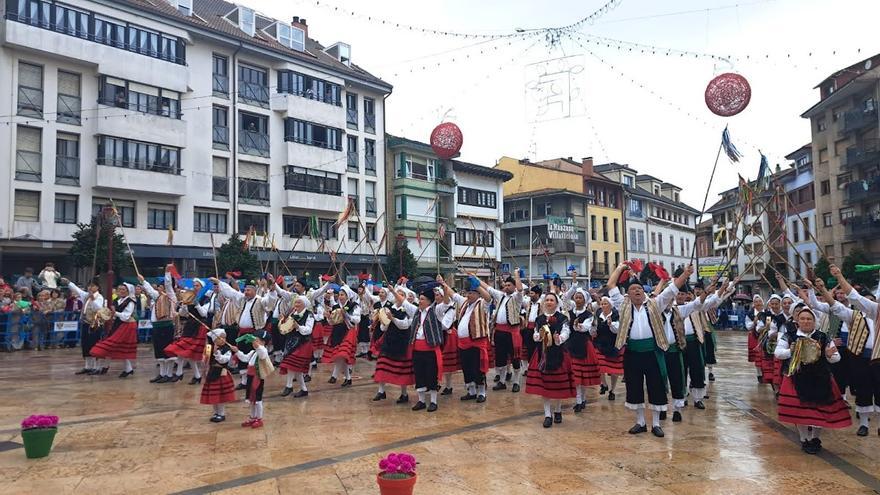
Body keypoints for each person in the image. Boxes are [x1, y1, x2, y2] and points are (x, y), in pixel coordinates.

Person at [608, 262, 694, 438]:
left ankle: (655, 424)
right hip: (632, 352)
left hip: (652, 351)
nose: (637, 291)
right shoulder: (622, 305)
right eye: (633, 289)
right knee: (634, 387)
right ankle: (640, 422)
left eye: (639, 289)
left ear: (644, 292)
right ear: (628, 294)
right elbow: (611, 285)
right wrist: (620, 267)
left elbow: (672, 289)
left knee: (656, 386)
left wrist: (685, 275)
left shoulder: (656, 303)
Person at [774, 306, 851, 454]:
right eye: (802, 318)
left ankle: (815, 438)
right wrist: (792, 350)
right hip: (797, 377)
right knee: (800, 412)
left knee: (819, 410)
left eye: (809, 318)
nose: (806, 321)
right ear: (797, 320)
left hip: (820, 377)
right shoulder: (789, 336)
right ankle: (804, 439)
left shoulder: (823, 337)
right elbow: (778, 353)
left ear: (814, 321)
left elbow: (836, 358)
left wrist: (829, 355)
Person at [824, 267, 878, 437]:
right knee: (863, 390)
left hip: (878, 358)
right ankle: (864, 424)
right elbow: (841, 303)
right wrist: (838, 277)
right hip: (860, 357)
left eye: (870, 301)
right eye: (866, 302)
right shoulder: (856, 314)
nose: (866, 304)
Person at [211, 276, 277, 390]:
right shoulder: (242, 299)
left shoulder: (260, 300)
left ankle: (254, 380)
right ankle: (244, 381)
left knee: (252, 358)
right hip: (242, 333)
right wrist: (219, 282)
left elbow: (270, 301)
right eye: (245, 290)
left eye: (248, 290)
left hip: (254, 334)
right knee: (241, 356)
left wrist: (271, 289)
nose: (245, 292)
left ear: (254, 291)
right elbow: (231, 292)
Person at [525, 292, 574, 428]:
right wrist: (538, 336)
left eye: (552, 300)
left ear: (556, 303)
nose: (549, 302)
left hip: (558, 353)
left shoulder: (562, 318)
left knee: (557, 384)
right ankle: (547, 414)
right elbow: (535, 333)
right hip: (543, 354)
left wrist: (560, 338)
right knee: (545, 386)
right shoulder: (539, 319)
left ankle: (558, 409)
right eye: (547, 300)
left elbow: (566, 331)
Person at [405, 285, 455, 412]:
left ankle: (433, 401)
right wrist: (394, 291)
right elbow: (404, 303)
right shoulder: (417, 312)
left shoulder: (436, 311)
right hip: (417, 349)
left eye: (422, 299)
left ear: (428, 301)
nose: (419, 301)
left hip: (430, 349)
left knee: (431, 375)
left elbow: (446, 303)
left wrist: (445, 287)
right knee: (420, 375)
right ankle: (421, 401)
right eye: (419, 299)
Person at [479, 270, 524, 392]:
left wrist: (516, 275)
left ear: (514, 286)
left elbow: (520, 289)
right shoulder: (501, 296)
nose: (506, 287)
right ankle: (502, 381)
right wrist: (476, 280)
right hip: (500, 332)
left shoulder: (517, 297)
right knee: (501, 358)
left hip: (512, 332)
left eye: (509, 285)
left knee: (515, 358)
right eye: (506, 285)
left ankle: (516, 381)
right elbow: (488, 289)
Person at [450, 276, 492, 403]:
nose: (468, 295)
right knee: (467, 368)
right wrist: (443, 285)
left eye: (471, 293)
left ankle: (482, 392)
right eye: (468, 293)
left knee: (478, 368)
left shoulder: (482, 304)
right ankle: (471, 391)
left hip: (476, 342)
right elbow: (454, 295)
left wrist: (477, 284)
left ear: (477, 294)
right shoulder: (465, 304)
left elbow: (488, 297)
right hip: (463, 343)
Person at [561, 282, 600, 413]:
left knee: (582, 376)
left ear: (585, 300)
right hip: (571, 345)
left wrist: (578, 326)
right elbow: (564, 299)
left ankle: (582, 398)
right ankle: (579, 400)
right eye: (576, 297)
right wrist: (573, 286)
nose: (577, 299)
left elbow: (586, 328)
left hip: (583, 344)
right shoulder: (570, 312)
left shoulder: (589, 315)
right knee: (576, 375)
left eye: (580, 297)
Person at [372, 287, 415, 404]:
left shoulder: (409, 311)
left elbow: (405, 325)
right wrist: (382, 320)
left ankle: (404, 394)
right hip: (389, 339)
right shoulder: (389, 309)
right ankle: (381, 391)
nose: (398, 297)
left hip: (402, 341)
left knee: (402, 369)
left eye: (401, 295)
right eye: (397, 294)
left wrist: (393, 318)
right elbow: (383, 327)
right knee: (382, 363)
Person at [316, 279, 361, 386]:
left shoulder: (353, 305)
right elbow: (332, 322)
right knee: (340, 356)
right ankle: (348, 378)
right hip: (337, 332)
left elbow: (357, 319)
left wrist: (346, 314)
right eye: (339, 294)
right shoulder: (335, 307)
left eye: (342, 295)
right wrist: (328, 317)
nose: (340, 297)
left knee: (341, 355)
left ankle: (334, 376)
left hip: (348, 331)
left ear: (347, 296)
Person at [89, 283, 138, 378]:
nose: (121, 291)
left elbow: (126, 316)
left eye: (124, 289)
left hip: (127, 325)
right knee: (116, 346)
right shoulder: (117, 300)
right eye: (120, 289)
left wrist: (115, 313)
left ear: (128, 291)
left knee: (115, 345)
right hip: (118, 324)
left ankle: (108, 367)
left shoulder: (130, 301)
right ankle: (126, 369)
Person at [139, 271, 176, 383]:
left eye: (161, 286)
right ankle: (162, 373)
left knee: (167, 351)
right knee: (159, 350)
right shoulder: (158, 297)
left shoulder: (170, 296)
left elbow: (169, 285)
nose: (159, 288)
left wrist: (167, 273)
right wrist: (143, 280)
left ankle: (169, 374)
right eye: (159, 286)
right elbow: (150, 290)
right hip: (157, 327)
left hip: (166, 326)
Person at [232, 330, 274, 428]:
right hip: (250, 377)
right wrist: (237, 351)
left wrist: (258, 346)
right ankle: (252, 417)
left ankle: (259, 418)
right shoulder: (253, 352)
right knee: (251, 399)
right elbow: (245, 358)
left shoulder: (263, 351)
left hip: (257, 378)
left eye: (257, 341)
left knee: (258, 399)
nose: (254, 343)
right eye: (254, 341)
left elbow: (262, 353)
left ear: (263, 342)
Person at [64, 279, 105, 373]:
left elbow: (98, 308)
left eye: (93, 286)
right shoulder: (86, 295)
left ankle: (95, 367)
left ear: (97, 287)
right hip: (86, 322)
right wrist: (69, 283)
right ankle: (87, 366)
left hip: (95, 323)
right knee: (85, 344)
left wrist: (93, 299)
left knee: (93, 343)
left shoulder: (99, 297)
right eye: (89, 286)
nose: (90, 287)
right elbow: (77, 290)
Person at [277, 295, 314, 398]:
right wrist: (282, 321)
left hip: (303, 343)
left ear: (304, 304)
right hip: (291, 342)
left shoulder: (309, 315)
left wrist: (298, 327)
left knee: (291, 363)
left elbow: (309, 330)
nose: (296, 304)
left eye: (299, 303)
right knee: (296, 367)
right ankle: (304, 389)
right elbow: (285, 328)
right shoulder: (292, 314)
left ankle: (289, 386)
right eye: (296, 303)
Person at [201, 328, 236, 423]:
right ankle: (216, 412)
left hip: (221, 373)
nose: (223, 340)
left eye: (224, 338)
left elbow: (224, 360)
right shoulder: (209, 347)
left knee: (220, 395)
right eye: (220, 338)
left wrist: (217, 353)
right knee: (214, 395)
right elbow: (205, 359)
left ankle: (221, 413)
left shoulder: (226, 349)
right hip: (212, 372)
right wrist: (204, 368)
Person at [593, 296, 622, 401]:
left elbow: (617, 330)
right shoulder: (598, 314)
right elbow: (594, 329)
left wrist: (611, 324)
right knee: (599, 365)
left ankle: (612, 390)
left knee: (614, 370)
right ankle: (604, 384)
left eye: (606, 304)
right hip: (599, 343)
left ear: (610, 305)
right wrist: (593, 329)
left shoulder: (615, 315)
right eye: (602, 304)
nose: (603, 305)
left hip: (612, 344)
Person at [745, 295, 766, 383]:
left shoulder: (767, 313)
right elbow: (748, 327)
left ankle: (766, 372)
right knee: (757, 357)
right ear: (754, 304)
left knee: (765, 355)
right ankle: (759, 374)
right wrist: (754, 321)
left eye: (759, 301)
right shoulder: (750, 314)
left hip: (765, 336)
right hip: (754, 336)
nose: (758, 303)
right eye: (756, 302)